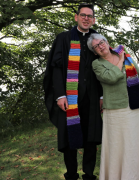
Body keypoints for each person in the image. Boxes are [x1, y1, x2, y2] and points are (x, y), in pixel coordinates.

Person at [87, 33, 139, 180]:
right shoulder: (97, 64)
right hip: (116, 110)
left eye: (101, 42)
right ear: (94, 51)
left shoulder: (123, 53)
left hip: (137, 105)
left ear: (106, 42)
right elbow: (111, 77)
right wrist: (121, 60)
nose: (101, 46)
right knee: (120, 146)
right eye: (96, 46)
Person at [43, 4, 103, 180]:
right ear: (76, 17)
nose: (86, 19)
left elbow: (103, 65)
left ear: (93, 20)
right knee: (70, 137)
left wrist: (101, 95)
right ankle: (71, 174)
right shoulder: (64, 38)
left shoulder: (97, 39)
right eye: (83, 15)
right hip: (70, 97)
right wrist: (60, 95)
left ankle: (89, 174)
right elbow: (55, 68)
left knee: (91, 138)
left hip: (92, 97)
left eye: (90, 16)